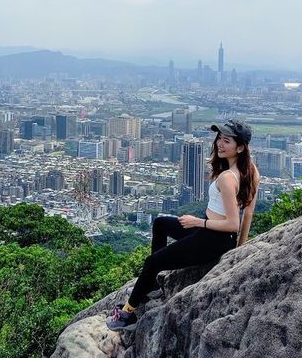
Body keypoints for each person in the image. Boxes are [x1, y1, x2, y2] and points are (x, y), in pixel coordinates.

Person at [106, 118, 260, 332]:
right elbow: (249, 213)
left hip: (211, 237)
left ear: (241, 147)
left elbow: (233, 224)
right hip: (214, 236)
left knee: (153, 262)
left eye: (226, 141)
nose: (219, 144)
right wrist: (238, 248)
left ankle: (127, 314)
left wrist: (199, 222)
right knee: (160, 223)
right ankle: (150, 285)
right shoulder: (251, 170)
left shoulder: (227, 178)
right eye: (219, 140)